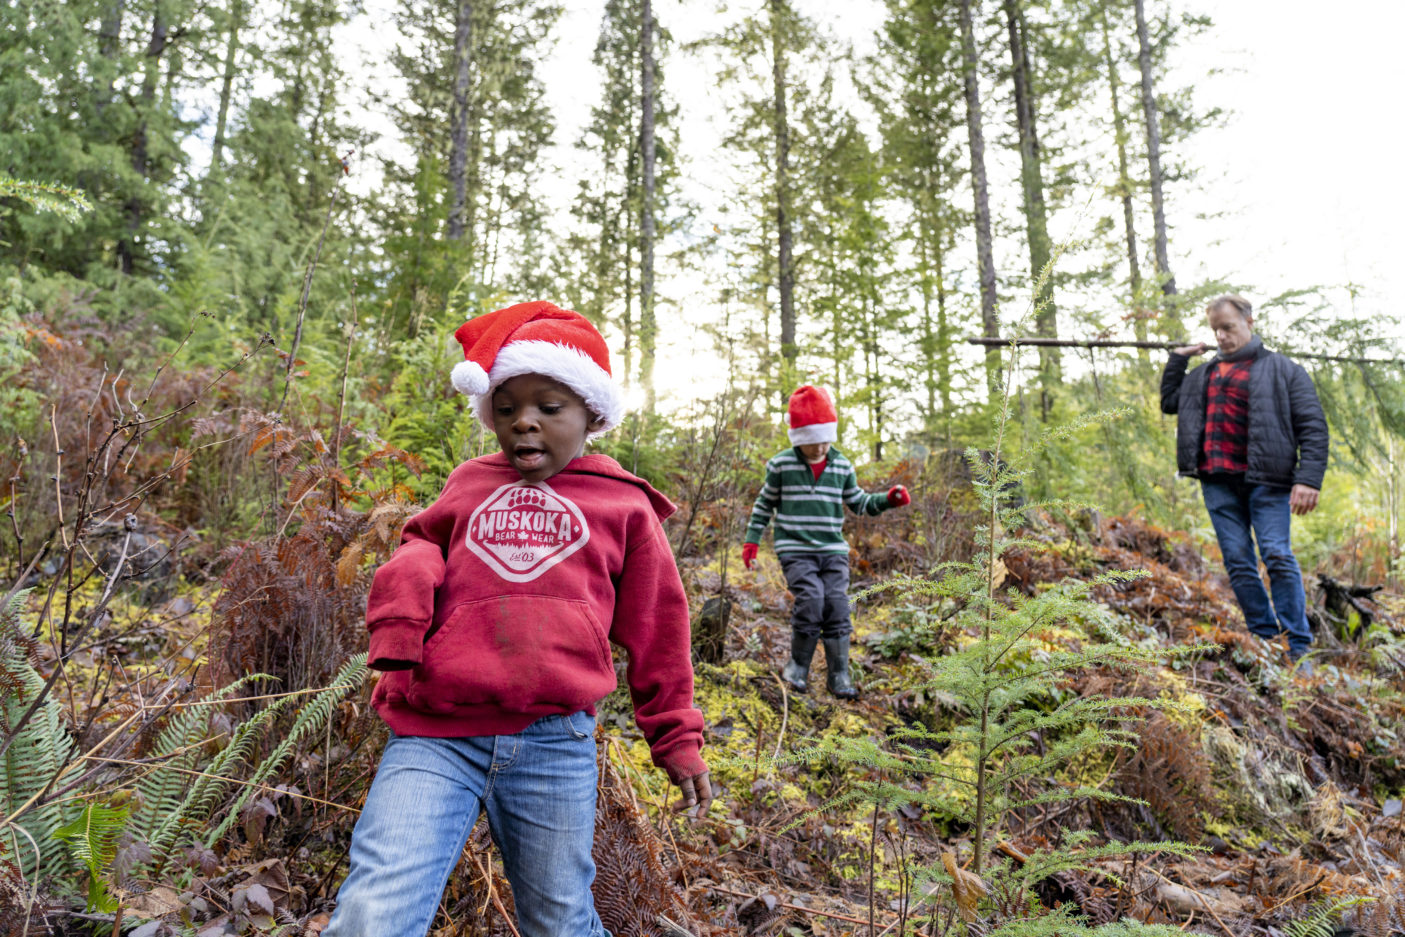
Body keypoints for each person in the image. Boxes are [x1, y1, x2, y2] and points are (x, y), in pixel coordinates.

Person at [324, 301, 711, 937]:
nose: (523, 423)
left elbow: (659, 629)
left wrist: (675, 737)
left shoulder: (624, 507)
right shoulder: (470, 482)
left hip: (554, 742)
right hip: (436, 733)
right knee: (373, 912)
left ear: (592, 412)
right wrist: (405, 603)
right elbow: (420, 541)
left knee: (558, 921)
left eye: (548, 408)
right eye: (506, 409)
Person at [1160, 294, 1329, 670]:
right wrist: (1179, 358)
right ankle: (1266, 642)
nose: (1221, 336)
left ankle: (1299, 650)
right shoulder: (1202, 375)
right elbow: (1170, 401)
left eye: (1228, 328)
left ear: (1249, 322)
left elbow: (1313, 428)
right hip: (1217, 482)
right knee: (1238, 561)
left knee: (1278, 556)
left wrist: (1309, 480)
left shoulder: (1284, 370)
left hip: (1269, 482)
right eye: (1216, 330)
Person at [741, 385, 911, 699]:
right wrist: (752, 541)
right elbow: (764, 505)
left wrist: (888, 500)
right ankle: (798, 666)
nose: (819, 447)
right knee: (811, 601)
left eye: (824, 439)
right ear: (798, 438)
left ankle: (838, 672)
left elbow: (858, 502)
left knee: (837, 605)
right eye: (810, 442)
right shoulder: (780, 466)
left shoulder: (842, 466)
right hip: (795, 547)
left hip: (832, 549)